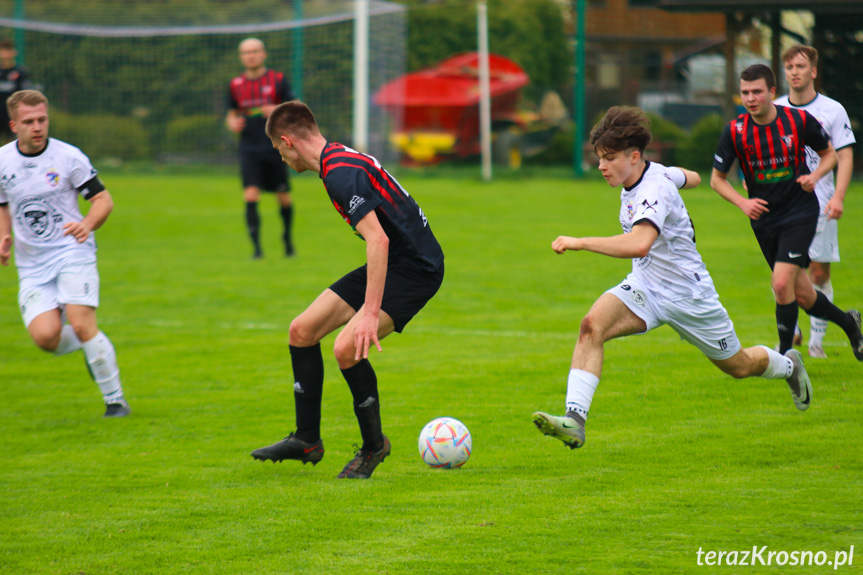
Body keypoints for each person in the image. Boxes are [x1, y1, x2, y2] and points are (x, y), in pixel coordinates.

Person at [533, 106, 813, 450]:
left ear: (634, 156)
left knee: (739, 365)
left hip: (689, 297)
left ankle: (788, 366)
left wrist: (581, 242)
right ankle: (574, 421)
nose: (602, 166)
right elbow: (693, 178)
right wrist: (674, 175)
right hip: (646, 287)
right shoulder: (653, 173)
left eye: (609, 158)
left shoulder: (653, 190)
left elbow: (639, 243)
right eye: (599, 158)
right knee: (592, 326)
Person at [250, 101, 445, 479]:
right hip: (396, 260)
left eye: (278, 150)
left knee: (345, 349)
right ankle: (306, 439)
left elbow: (378, 241)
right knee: (301, 330)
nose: (282, 159)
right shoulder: (336, 158)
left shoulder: (339, 173)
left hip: (417, 269)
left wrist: (369, 313)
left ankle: (374, 447)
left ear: (288, 142)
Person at [710, 64, 862, 360]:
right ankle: (850, 323)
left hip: (800, 211)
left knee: (781, 283)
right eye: (745, 93)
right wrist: (743, 203)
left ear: (772, 92)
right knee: (803, 294)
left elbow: (830, 155)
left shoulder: (798, 120)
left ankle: (786, 356)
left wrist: (814, 176)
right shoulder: (735, 130)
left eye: (757, 92)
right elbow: (717, 179)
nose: (751, 98)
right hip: (764, 220)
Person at [0, 90, 129, 417]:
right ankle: (93, 347)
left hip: (73, 251)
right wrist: (3, 235)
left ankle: (115, 401)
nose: (37, 126)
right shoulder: (3, 161)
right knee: (46, 338)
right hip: (31, 264)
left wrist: (86, 225)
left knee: (82, 322)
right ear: (14, 125)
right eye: (29, 122)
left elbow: (103, 200)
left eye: (42, 119)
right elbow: (2, 205)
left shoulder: (68, 157)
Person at [774, 45, 856, 358]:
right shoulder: (776, 107)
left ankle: (816, 342)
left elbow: (845, 155)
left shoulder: (832, 110)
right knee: (785, 271)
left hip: (821, 204)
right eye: (790, 67)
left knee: (818, 274)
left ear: (813, 71)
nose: (794, 72)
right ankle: (790, 334)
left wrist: (838, 196)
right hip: (783, 204)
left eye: (800, 66)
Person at [226, 38, 296, 259]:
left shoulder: (278, 80)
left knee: (283, 196)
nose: (251, 55)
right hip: (249, 149)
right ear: (241, 57)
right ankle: (257, 250)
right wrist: (232, 123)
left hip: (276, 148)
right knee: (251, 194)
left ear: (263, 54)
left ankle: (287, 239)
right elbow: (232, 113)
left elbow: (296, 108)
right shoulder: (236, 85)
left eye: (255, 51)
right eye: (246, 52)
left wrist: (277, 109)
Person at [0, 39, 32, 143]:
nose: (6, 54)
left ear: (14, 52)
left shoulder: (20, 72)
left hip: (12, 115)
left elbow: (25, 94)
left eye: (8, 50)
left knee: (11, 144)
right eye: (3, 50)